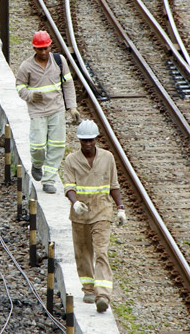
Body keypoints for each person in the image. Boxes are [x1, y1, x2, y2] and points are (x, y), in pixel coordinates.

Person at [63, 119, 127, 313]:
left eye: (91, 140)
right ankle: (88, 289)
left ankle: (103, 295)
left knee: (101, 252)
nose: (88, 144)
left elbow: (113, 185)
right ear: (79, 141)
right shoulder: (71, 160)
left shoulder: (107, 158)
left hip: (102, 211)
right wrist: (75, 203)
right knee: (83, 253)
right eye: (84, 141)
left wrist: (120, 208)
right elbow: (68, 186)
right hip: (80, 214)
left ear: (97, 139)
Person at [16, 31, 80, 194]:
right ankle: (37, 164)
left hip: (57, 109)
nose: (43, 52)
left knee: (57, 146)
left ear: (50, 46)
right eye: (39, 49)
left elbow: (68, 84)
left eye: (45, 48)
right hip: (37, 111)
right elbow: (19, 87)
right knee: (38, 146)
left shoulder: (59, 61)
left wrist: (72, 107)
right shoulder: (27, 66)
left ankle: (49, 180)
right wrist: (30, 95)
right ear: (34, 49)